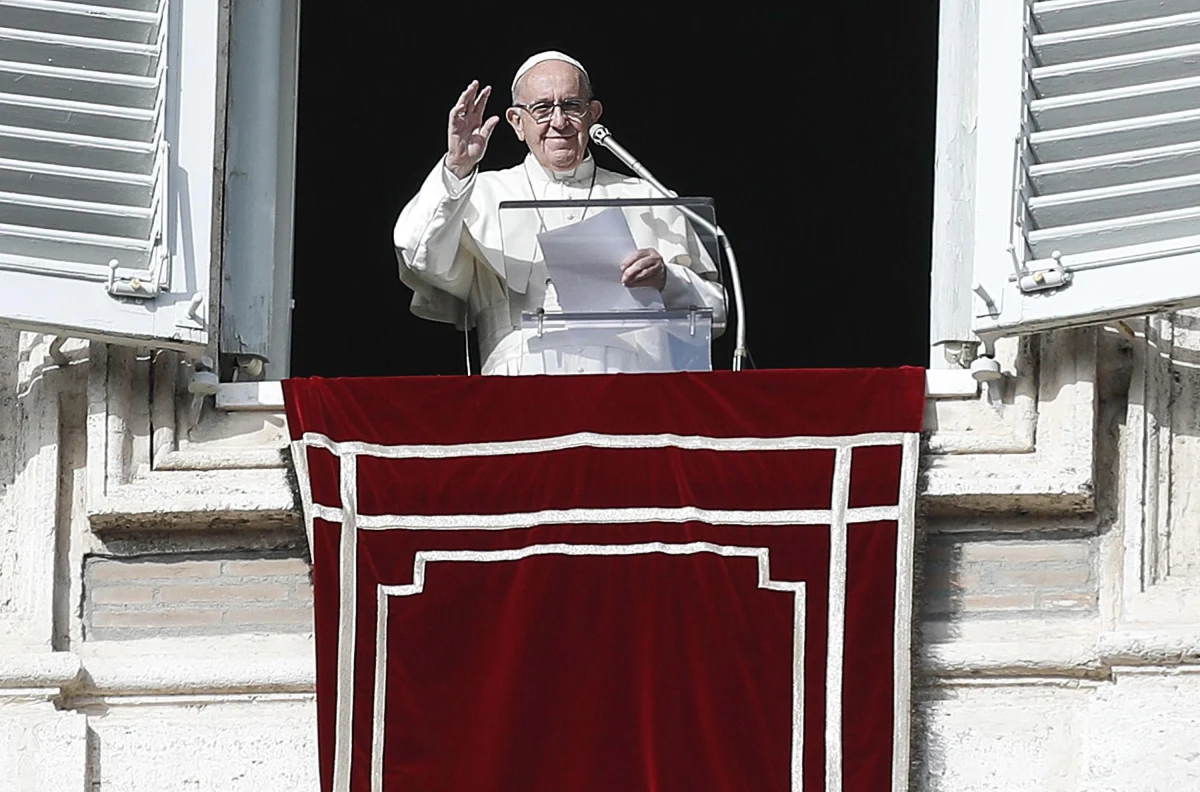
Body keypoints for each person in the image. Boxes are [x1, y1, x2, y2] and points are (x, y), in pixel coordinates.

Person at [393, 51, 726, 375]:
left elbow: (718, 315)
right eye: (541, 108)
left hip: (632, 393)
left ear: (593, 114)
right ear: (516, 122)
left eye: (571, 106)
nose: (558, 121)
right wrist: (456, 168)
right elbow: (419, 255)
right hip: (521, 397)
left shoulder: (646, 195)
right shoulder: (479, 194)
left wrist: (667, 280)